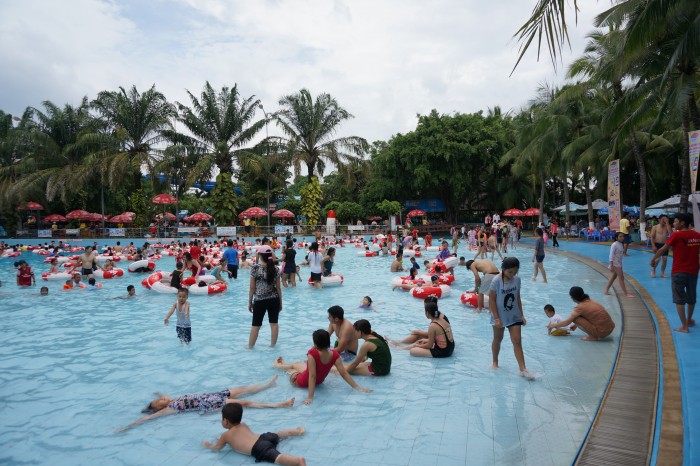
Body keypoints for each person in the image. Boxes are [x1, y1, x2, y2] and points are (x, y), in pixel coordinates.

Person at [115, 375, 294, 432]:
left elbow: (162, 394)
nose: (164, 399)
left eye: (162, 398)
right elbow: (147, 419)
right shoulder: (169, 409)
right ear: (160, 407)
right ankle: (280, 405)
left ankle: (268, 385)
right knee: (244, 402)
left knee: (242, 389)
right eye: (161, 401)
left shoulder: (170, 399)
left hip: (211, 394)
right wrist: (128, 426)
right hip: (211, 404)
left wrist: (157, 393)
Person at [273, 329, 371, 405]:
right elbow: (344, 373)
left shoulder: (312, 354)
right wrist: (357, 387)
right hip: (318, 381)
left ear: (316, 344)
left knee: (294, 366)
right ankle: (285, 364)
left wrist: (310, 397)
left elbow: (312, 376)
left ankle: (278, 365)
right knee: (298, 365)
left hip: (299, 382)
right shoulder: (335, 355)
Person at [201, 403, 306, 465]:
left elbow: (217, 448)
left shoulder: (225, 435)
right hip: (264, 437)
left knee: (278, 457)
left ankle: (297, 461)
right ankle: (297, 431)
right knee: (278, 434)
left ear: (226, 421)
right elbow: (240, 437)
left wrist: (208, 445)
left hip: (259, 448)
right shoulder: (243, 425)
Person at [650, 213, 700, 333]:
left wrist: (653, 259)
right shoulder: (697, 235)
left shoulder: (676, 235)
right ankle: (689, 320)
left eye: (676, 221)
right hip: (693, 271)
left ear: (682, 223)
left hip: (679, 271)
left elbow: (663, 248)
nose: (674, 223)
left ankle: (684, 326)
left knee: (679, 299)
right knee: (691, 297)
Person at [489, 257, 534, 380]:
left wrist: (521, 315)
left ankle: (523, 369)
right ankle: (495, 361)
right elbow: (492, 300)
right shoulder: (496, 281)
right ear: (503, 269)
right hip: (499, 316)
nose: (512, 274)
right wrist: (496, 318)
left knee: (517, 341)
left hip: (514, 315)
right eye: (510, 272)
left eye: (515, 272)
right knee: (498, 339)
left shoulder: (517, 280)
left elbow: (517, 297)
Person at [390, 297, 455, 358]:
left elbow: (429, 345)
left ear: (427, 313)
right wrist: (425, 341)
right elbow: (440, 335)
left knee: (413, 351)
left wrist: (417, 345)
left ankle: (399, 348)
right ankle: (399, 345)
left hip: (443, 352)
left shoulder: (433, 325)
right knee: (420, 341)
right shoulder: (441, 318)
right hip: (450, 347)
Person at [548, 287, 615, 341]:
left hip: (602, 332)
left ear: (573, 298)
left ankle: (593, 337)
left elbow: (567, 322)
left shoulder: (580, 307)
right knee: (580, 315)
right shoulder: (590, 300)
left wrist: (553, 325)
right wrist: (575, 325)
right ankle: (596, 333)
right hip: (610, 328)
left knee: (575, 319)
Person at [248, 246, 282, 348]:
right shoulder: (276, 269)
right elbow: (278, 288)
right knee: (274, 323)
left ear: (260, 256)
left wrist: (250, 302)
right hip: (274, 299)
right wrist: (281, 302)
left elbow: (252, 287)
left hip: (259, 300)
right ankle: (273, 346)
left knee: (256, 325)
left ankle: (250, 347)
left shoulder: (255, 268)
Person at [604, 232, 634, 297]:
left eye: (622, 236)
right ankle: (626, 293)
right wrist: (611, 265)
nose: (622, 238)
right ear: (616, 238)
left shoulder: (621, 244)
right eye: (620, 236)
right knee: (621, 277)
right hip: (615, 263)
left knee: (614, 277)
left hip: (619, 263)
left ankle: (606, 290)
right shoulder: (614, 245)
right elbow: (611, 255)